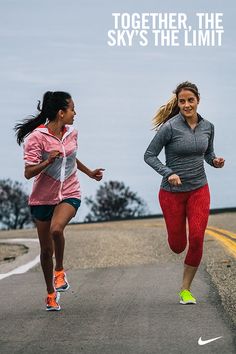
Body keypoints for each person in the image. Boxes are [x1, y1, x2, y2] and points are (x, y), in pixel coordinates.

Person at [14, 91, 104, 311]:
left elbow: (71, 157)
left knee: (57, 230)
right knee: (46, 252)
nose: (75, 113)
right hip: (42, 198)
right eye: (73, 109)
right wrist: (47, 162)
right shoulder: (36, 137)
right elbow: (28, 173)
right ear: (61, 113)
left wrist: (90, 173)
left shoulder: (72, 132)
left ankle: (60, 271)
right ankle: (50, 293)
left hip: (69, 192)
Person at [144, 81, 225, 304]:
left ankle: (185, 290)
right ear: (178, 103)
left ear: (198, 100)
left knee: (197, 238)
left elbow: (208, 154)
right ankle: (174, 235)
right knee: (178, 245)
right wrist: (168, 172)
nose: (187, 105)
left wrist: (215, 161)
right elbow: (149, 155)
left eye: (190, 100)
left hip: (199, 189)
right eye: (182, 101)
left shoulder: (208, 126)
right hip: (172, 193)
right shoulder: (170, 127)